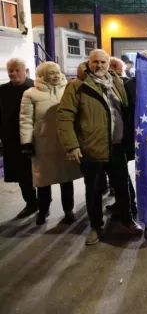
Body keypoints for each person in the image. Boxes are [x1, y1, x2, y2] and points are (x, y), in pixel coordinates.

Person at [57, 49, 142, 245]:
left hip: (117, 146)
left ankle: (127, 220)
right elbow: (64, 117)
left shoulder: (116, 82)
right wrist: (72, 146)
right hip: (92, 148)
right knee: (94, 190)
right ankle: (96, 226)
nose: (99, 66)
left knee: (122, 187)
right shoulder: (77, 86)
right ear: (89, 63)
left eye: (103, 62)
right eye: (95, 62)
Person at [19, 62, 81, 225]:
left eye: (57, 72)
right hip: (42, 144)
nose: (55, 76)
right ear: (43, 74)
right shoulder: (30, 93)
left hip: (64, 142)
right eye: (51, 73)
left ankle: (68, 210)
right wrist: (26, 142)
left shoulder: (68, 89)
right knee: (43, 180)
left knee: (66, 179)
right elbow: (25, 120)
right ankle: (43, 210)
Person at [0, 58, 37, 218]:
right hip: (11, 139)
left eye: (17, 70)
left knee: (37, 171)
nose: (13, 73)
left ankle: (43, 203)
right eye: (11, 71)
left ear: (26, 71)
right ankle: (31, 203)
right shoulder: (2, 90)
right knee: (21, 173)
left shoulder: (35, 87)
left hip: (33, 138)